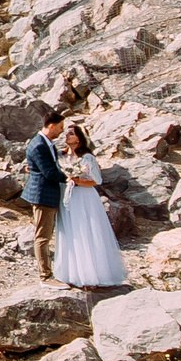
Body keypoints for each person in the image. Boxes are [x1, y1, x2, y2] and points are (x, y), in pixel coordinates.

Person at [53, 122, 128, 289]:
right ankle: (71, 273)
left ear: (79, 139)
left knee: (85, 231)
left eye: (71, 134)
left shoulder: (87, 158)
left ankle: (91, 275)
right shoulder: (61, 156)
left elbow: (97, 180)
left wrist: (77, 180)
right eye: (66, 133)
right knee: (69, 231)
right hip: (67, 196)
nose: (67, 136)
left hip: (84, 197)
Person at [21, 107, 66, 281]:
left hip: (46, 194)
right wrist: (73, 178)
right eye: (61, 127)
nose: (62, 131)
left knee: (44, 235)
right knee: (43, 237)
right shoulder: (39, 145)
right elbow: (49, 172)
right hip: (43, 195)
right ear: (52, 126)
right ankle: (45, 275)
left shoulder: (45, 143)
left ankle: (47, 272)